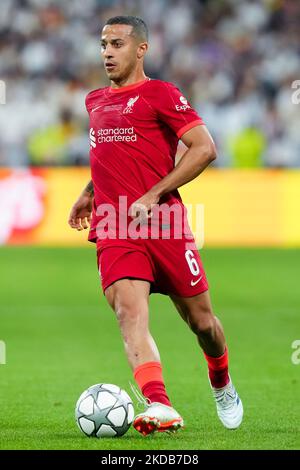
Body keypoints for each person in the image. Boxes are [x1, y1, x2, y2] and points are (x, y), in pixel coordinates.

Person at [68, 15, 243, 436]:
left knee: (203, 324)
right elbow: (113, 154)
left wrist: (153, 194)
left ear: (141, 49)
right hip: (115, 225)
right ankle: (160, 404)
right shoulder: (95, 101)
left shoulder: (161, 94)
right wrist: (90, 190)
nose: (107, 51)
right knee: (129, 311)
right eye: (104, 44)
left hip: (164, 224)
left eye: (117, 44)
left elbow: (204, 149)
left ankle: (220, 380)